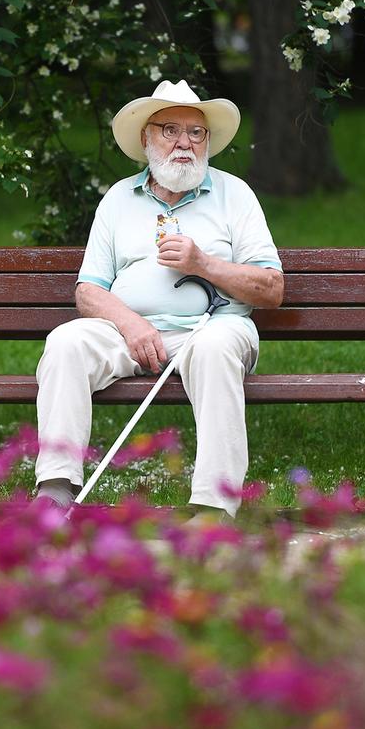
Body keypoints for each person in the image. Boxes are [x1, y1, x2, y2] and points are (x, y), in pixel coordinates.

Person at [33, 80, 284, 520]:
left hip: (212, 327)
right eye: (170, 130)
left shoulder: (235, 195)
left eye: (196, 132)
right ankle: (54, 490)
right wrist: (131, 324)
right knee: (66, 343)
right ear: (147, 138)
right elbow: (88, 290)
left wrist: (203, 263)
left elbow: (271, 288)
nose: (184, 143)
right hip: (128, 332)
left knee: (214, 349)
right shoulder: (117, 199)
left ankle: (213, 508)